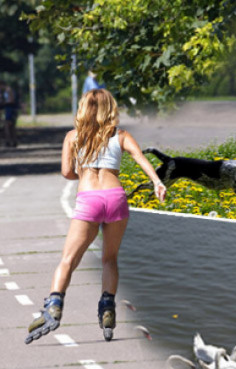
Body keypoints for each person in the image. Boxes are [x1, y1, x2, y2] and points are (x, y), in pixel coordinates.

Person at [23, 89, 166, 345]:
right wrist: (156, 182)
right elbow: (140, 158)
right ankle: (108, 307)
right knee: (109, 259)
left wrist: (84, 173)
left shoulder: (72, 137)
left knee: (68, 260)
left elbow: (67, 172)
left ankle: (54, 305)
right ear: (110, 108)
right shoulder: (121, 135)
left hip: (89, 199)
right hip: (115, 198)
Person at [1, 80, 19, 148]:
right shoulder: (7, 91)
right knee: (11, 127)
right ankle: (13, 141)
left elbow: (11, 100)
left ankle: (8, 141)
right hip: (9, 109)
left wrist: (3, 103)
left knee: (7, 127)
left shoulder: (8, 90)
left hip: (10, 110)